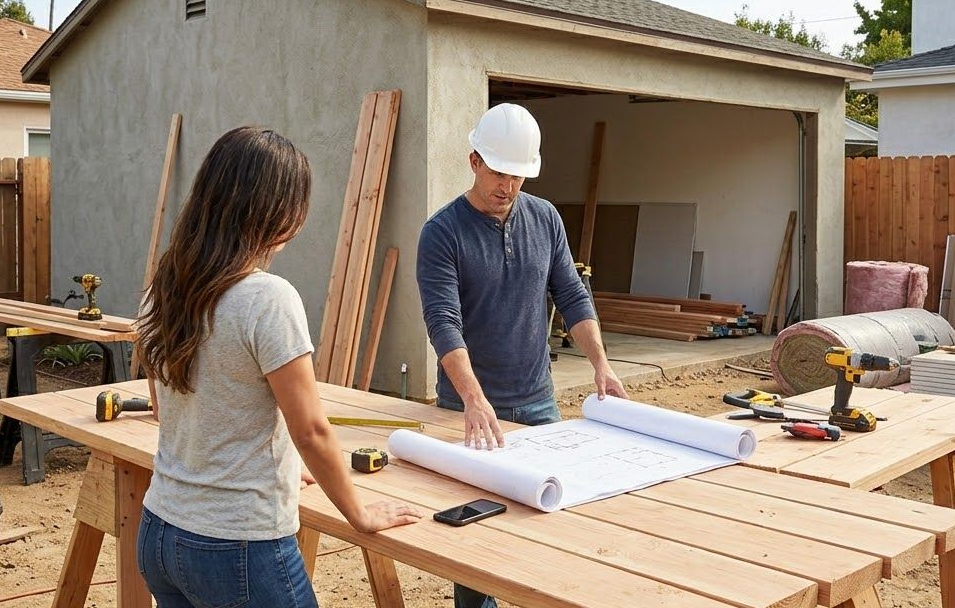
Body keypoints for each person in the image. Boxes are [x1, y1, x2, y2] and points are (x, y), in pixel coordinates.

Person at [135, 127, 422, 608]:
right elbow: (310, 429)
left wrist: (280, 465)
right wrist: (361, 514)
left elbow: (173, 409)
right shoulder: (267, 298)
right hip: (238, 545)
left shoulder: (163, 288)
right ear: (278, 214)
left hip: (161, 530)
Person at [417, 103, 628, 608]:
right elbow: (444, 324)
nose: (507, 187)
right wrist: (473, 397)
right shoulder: (442, 233)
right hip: (470, 411)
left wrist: (601, 363)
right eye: (498, 172)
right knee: (476, 536)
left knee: (550, 520)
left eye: (518, 176)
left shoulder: (545, 219)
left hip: (538, 405)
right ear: (473, 161)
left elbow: (573, 295)